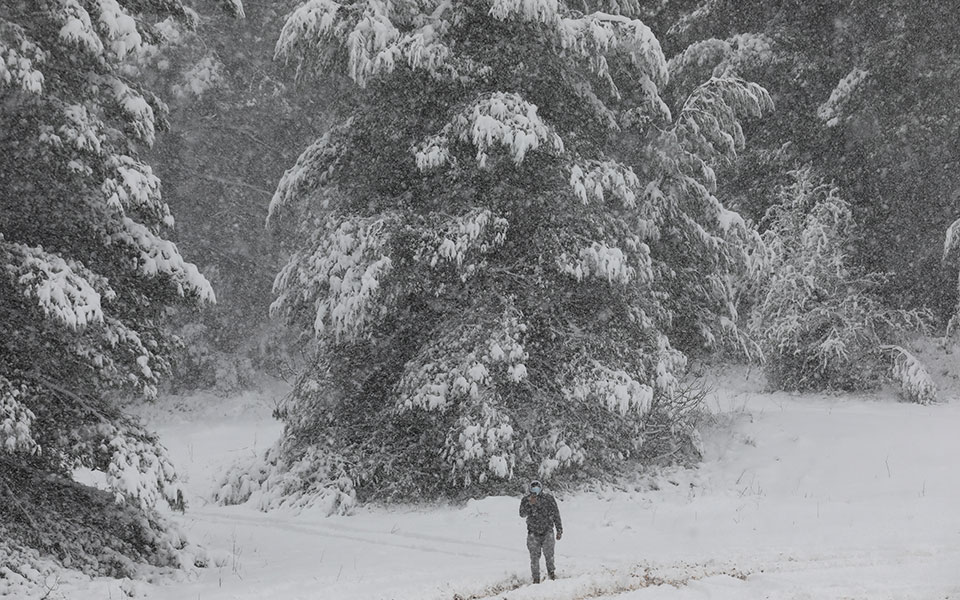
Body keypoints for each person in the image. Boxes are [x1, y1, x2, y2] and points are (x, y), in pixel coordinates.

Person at [518, 479, 562, 583]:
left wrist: (559, 529)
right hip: (533, 533)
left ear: (541, 487)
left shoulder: (548, 498)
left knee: (549, 556)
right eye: (533, 487)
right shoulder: (526, 500)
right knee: (534, 558)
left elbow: (556, 514)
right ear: (530, 489)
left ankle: (552, 575)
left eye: (537, 486)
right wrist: (530, 504)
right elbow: (522, 514)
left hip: (548, 531)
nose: (535, 489)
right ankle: (536, 579)